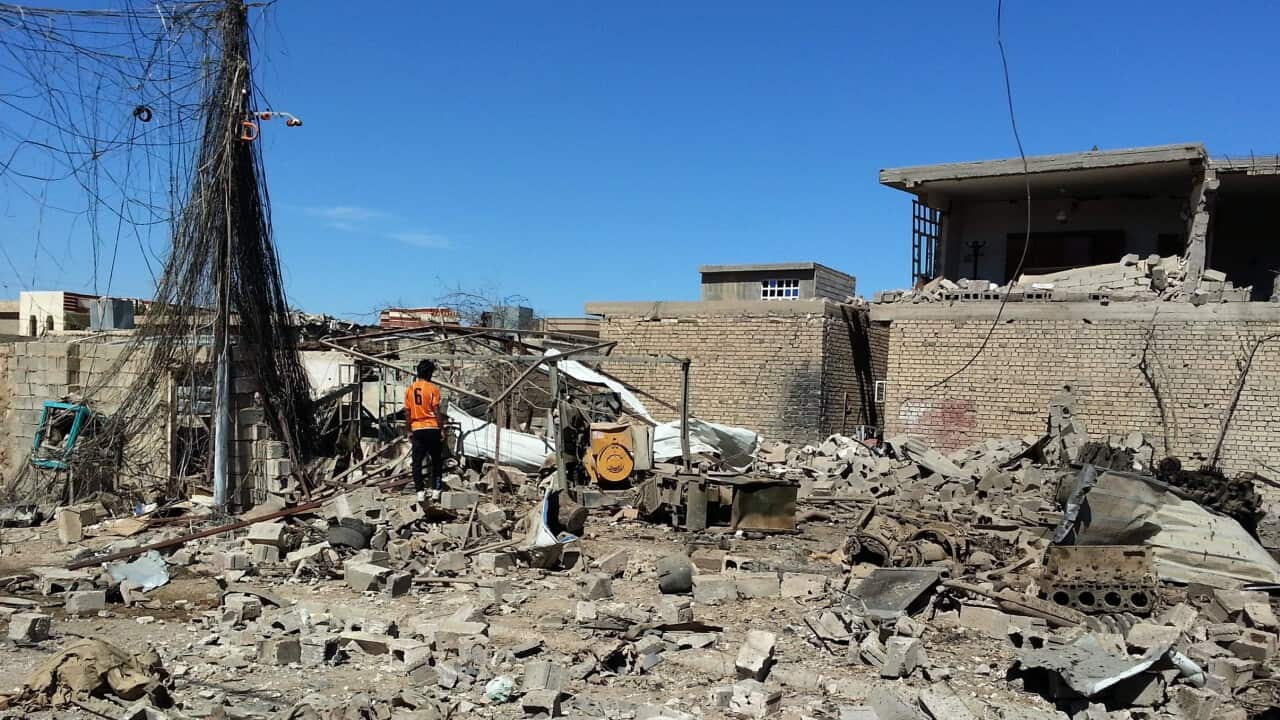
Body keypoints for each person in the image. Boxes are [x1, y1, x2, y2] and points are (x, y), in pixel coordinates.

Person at [404, 359, 443, 502]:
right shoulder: (433, 389)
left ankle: (420, 491)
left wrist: (409, 430)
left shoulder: (410, 390)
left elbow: (407, 413)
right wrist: (441, 429)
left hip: (418, 429)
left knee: (417, 462)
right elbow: (437, 411)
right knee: (437, 461)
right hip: (432, 428)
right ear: (430, 373)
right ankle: (436, 490)